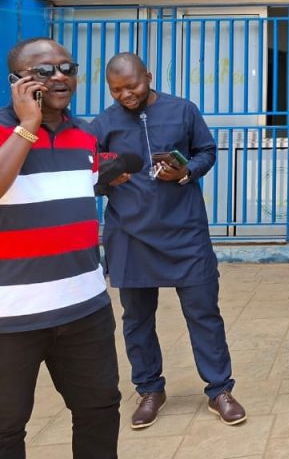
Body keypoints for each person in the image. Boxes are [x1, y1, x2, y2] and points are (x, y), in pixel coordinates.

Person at [88, 53, 245, 429]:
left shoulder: (183, 110)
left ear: (149, 76)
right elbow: (88, 175)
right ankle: (149, 390)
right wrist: (106, 179)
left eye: (132, 86)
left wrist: (186, 171)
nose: (126, 95)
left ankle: (219, 390)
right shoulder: (103, 123)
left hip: (185, 231)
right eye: (116, 90)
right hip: (129, 234)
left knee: (204, 314)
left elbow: (206, 151)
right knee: (137, 319)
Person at [0, 38, 121, 458]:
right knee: (5, 429)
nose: (60, 77)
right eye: (45, 70)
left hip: (85, 309)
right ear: (17, 81)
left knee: (99, 411)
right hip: (11, 319)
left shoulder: (84, 134)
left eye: (67, 68)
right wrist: (28, 125)